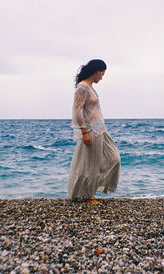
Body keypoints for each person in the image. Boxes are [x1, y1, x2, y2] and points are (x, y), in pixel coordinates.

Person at [67, 59, 120, 204]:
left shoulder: (90, 87)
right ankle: (89, 196)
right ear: (96, 71)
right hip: (91, 130)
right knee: (92, 164)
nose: (102, 76)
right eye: (102, 73)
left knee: (114, 159)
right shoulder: (82, 87)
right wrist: (84, 132)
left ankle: (88, 190)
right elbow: (77, 111)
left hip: (101, 129)